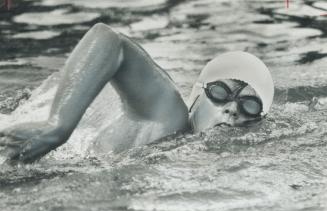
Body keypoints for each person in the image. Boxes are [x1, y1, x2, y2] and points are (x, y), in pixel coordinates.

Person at [0, 23, 274, 164]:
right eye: (220, 91)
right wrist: (58, 126)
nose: (231, 109)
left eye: (249, 105)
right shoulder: (169, 112)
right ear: (197, 95)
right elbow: (108, 39)